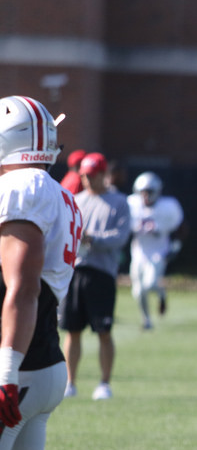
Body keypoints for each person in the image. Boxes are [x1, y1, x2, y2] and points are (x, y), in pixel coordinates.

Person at [0, 95, 83, 450]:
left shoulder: (23, 187)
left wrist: (6, 372)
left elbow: (21, 286)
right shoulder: (56, 192)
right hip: (45, 366)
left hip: (20, 364)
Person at [60, 152, 131, 401]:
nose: (87, 180)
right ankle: (70, 381)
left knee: (103, 330)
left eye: (91, 176)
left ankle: (104, 383)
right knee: (72, 330)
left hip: (102, 274)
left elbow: (121, 237)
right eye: (84, 176)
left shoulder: (119, 202)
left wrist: (92, 238)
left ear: (103, 175)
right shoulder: (75, 199)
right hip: (75, 271)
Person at [126, 172, 184, 330]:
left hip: (159, 252)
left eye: (149, 192)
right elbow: (124, 225)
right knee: (138, 291)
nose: (145, 196)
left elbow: (181, 227)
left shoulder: (168, 206)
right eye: (143, 192)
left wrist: (175, 248)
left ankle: (161, 294)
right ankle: (146, 320)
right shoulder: (132, 204)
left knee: (150, 284)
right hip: (138, 252)